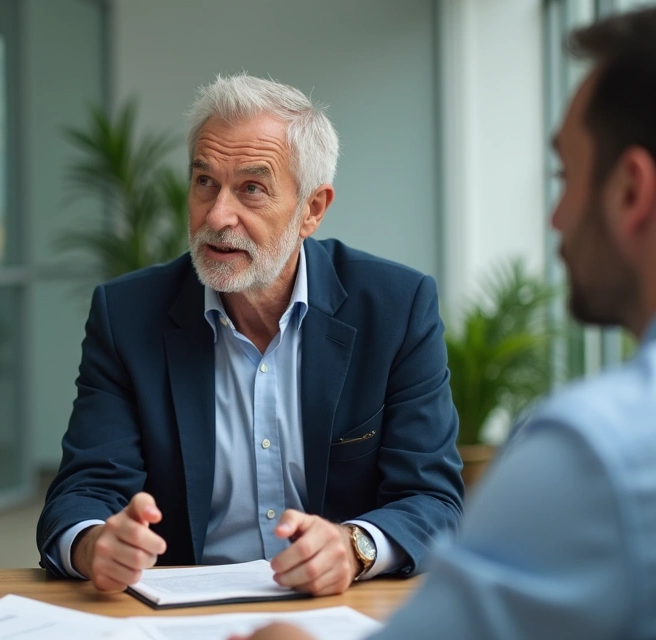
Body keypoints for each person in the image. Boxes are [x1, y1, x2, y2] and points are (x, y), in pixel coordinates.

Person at [241, 4, 656, 639]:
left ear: (632, 192)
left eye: (565, 177)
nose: (556, 219)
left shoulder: (601, 453)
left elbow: (433, 508)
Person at [37, 73, 465, 597]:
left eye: (252, 189)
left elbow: (432, 499)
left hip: (337, 609)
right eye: (204, 182)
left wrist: (354, 548)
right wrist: (95, 544)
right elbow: (84, 490)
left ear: (312, 209)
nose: (218, 216)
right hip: (180, 616)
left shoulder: (396, 308)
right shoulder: (128, 314)